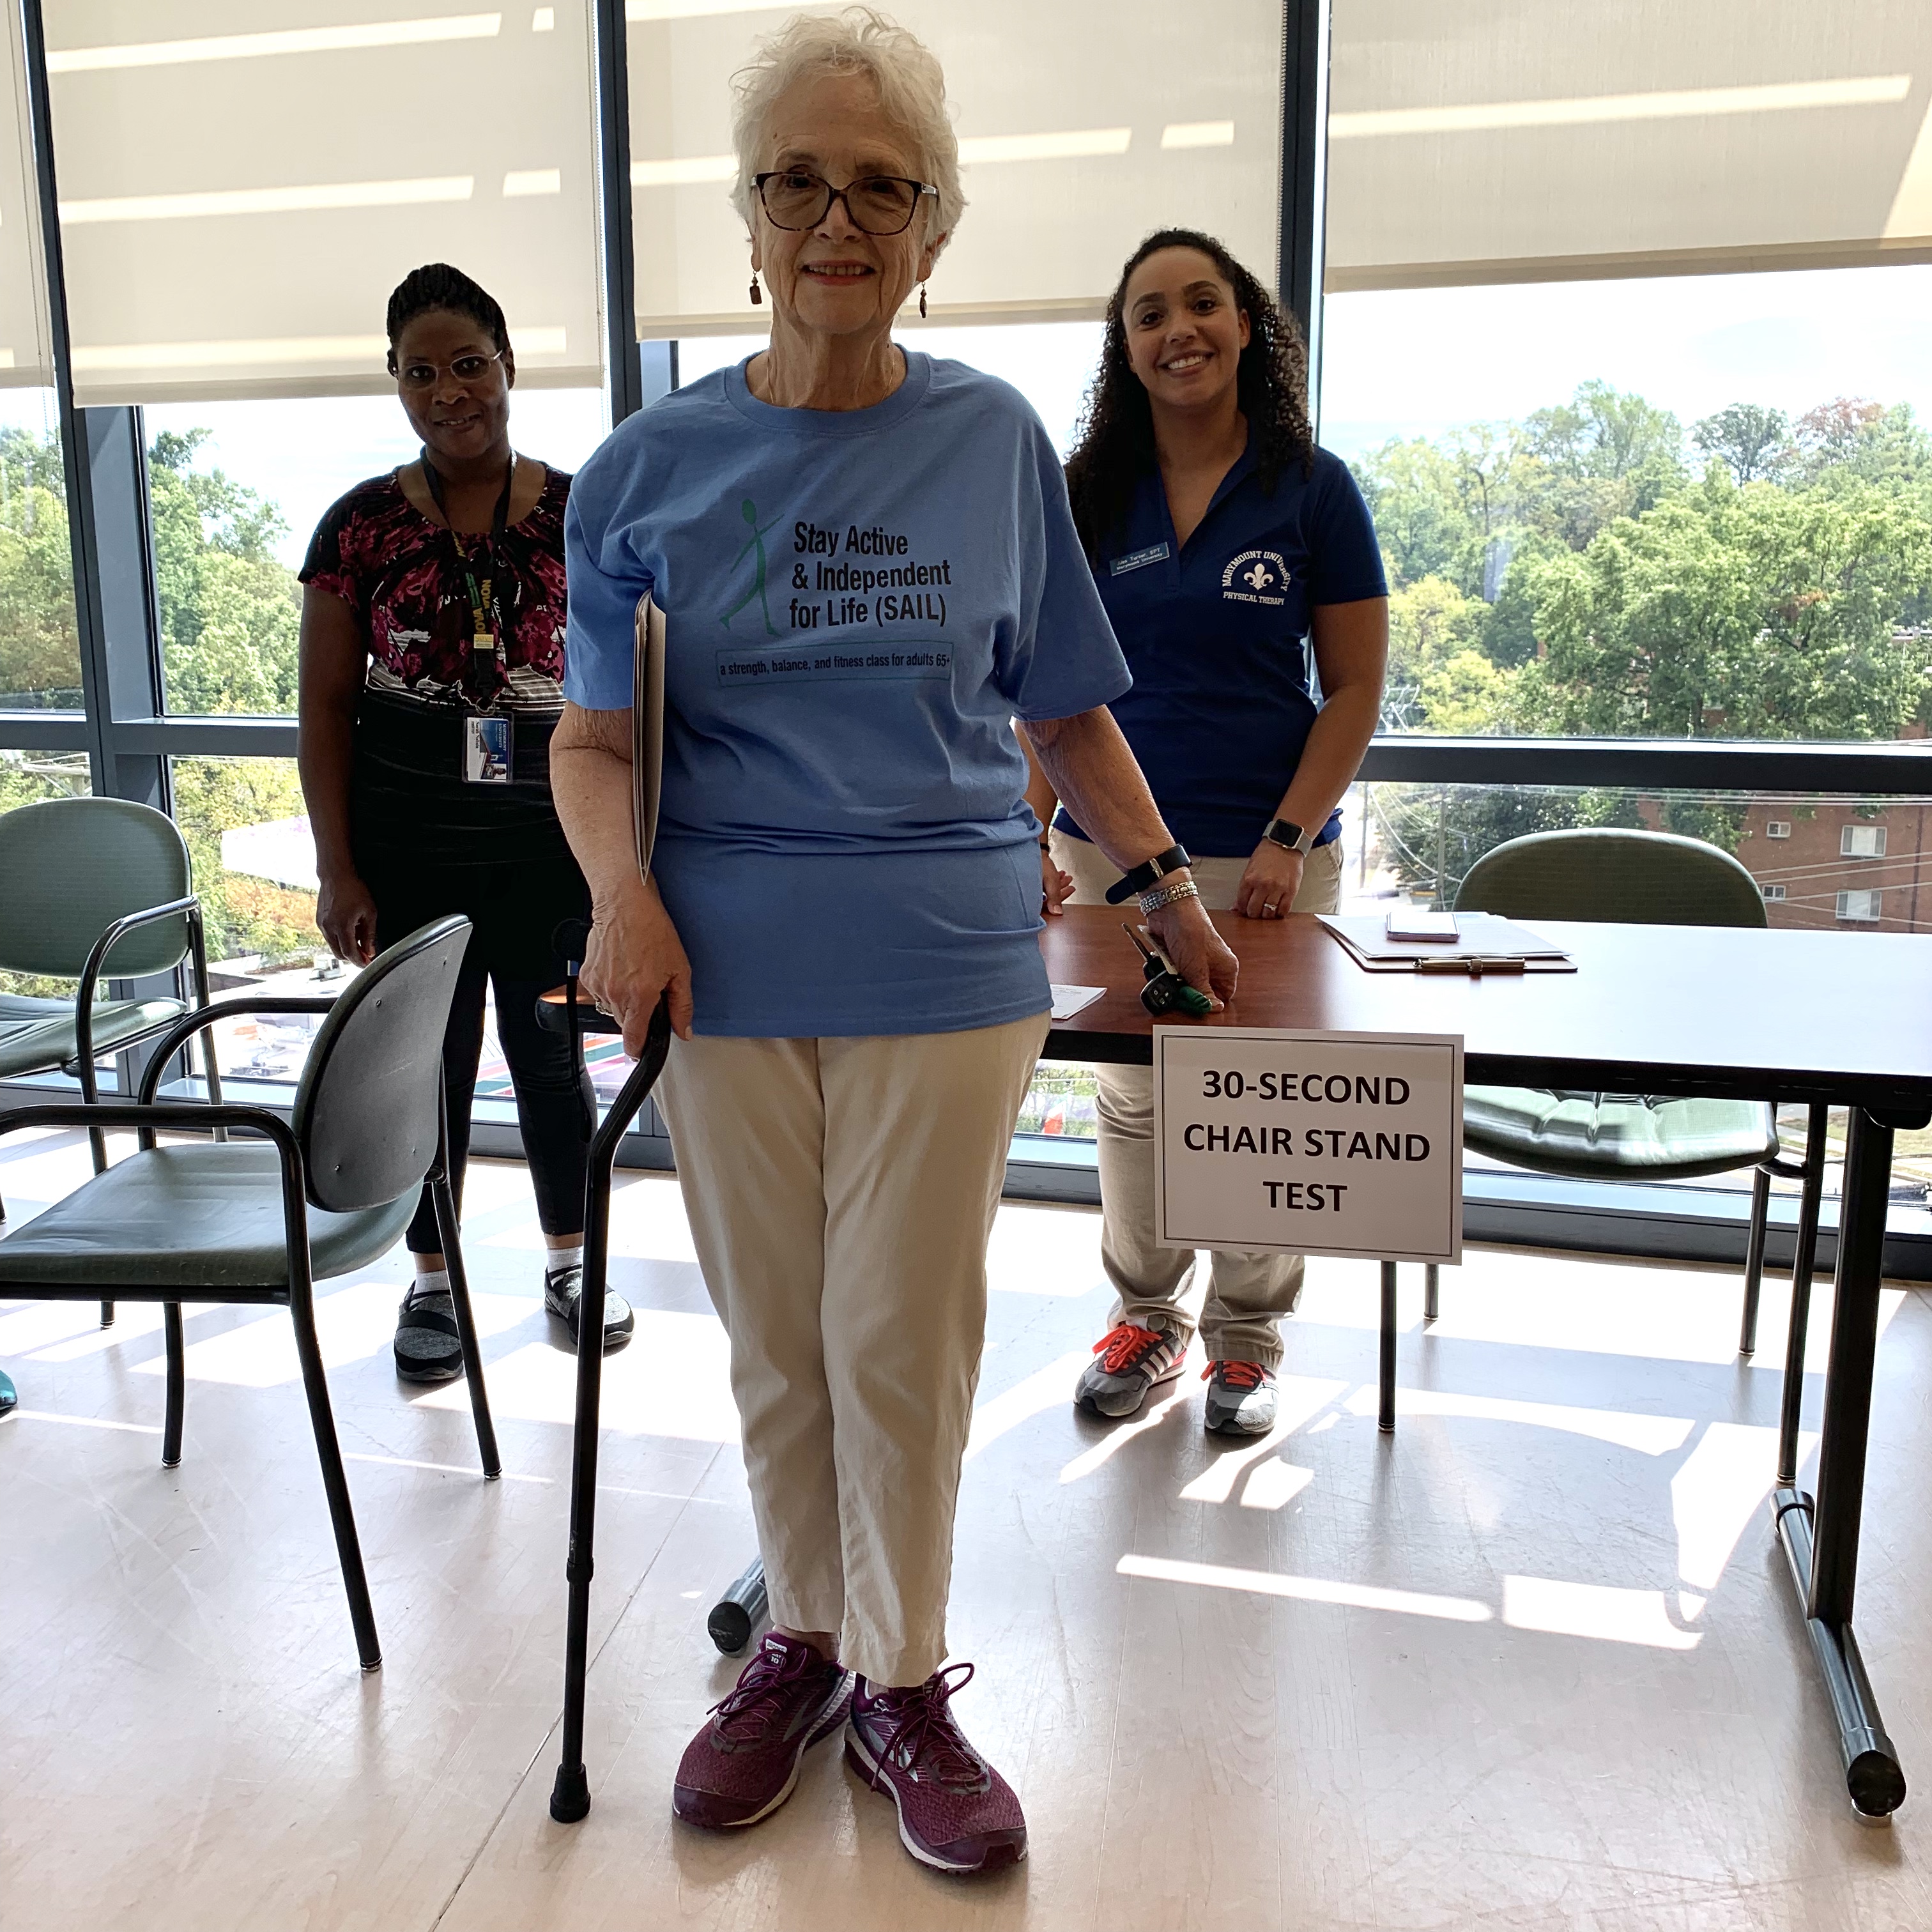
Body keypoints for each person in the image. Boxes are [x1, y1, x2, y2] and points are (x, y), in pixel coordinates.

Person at [554, 6, 1236, 1875]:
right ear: (747, 219)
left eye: (883, 186)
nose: (837, 218)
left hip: (947, 958)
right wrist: (621, 901)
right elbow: (597, 744)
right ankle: (803, 1641)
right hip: (722, 960)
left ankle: (908, 1684)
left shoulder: (990, 442)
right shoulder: (640, 473)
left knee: (900, 1336)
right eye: (800, 181)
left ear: (934, 232)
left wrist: (1165, 887)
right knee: (778, 1337)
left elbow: (1069, 710)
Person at [1029, 228, 1389, 1438]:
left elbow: (1352, 690)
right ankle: (1147, 1320)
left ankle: (1249, 1339)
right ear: (1123, 349)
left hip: (1265, 855)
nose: (1177, 329)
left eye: (1202, 304)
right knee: (1131, 1099)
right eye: (1148, 314)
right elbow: (1046, 691)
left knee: (1261, 1097)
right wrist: (1029, 830)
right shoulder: (1088, 494)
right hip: (1107, 853)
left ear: (1247, 327)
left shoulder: (1312, 486)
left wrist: (1293, 833)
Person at [297, 263, 633, 1381]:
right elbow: (327, 713)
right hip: (406, 850)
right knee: (426, 1069)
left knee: (550, 1059)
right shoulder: (359, 529)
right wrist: (337, 867)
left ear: (509, 368)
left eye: (470, 365)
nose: (451, 392)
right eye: (423, 372)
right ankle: (430, 1280)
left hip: (550, 844)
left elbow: (636, 699)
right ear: (397, 382)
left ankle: (571, 1258)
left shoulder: (586, 513)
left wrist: (625, 866)